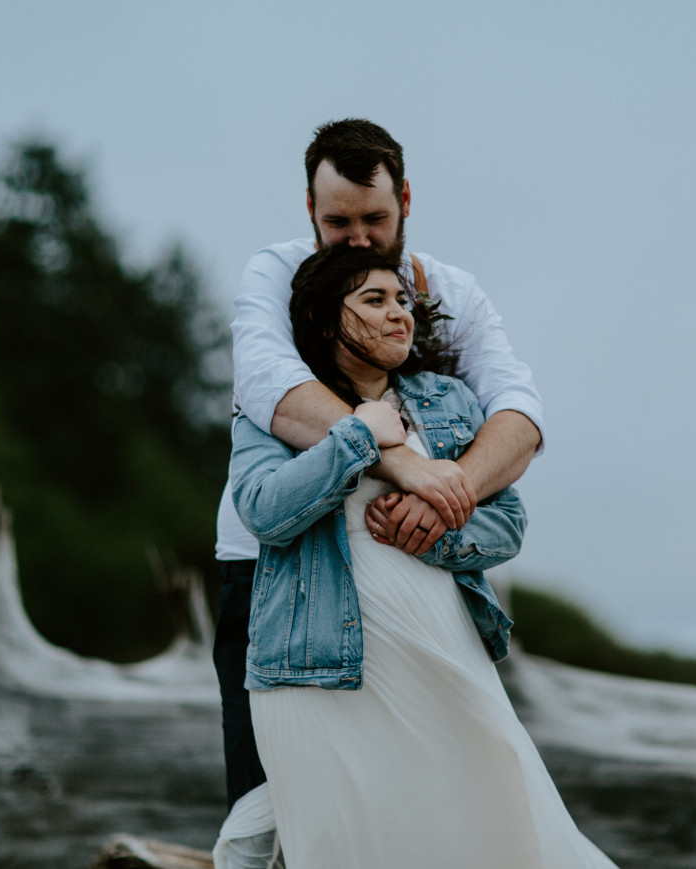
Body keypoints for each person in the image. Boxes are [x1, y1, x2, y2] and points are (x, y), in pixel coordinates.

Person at [228, 245, 615, 867]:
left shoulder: (449, 400)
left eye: (403, 300)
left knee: (493, 823)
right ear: (328, 319)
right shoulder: (273, 409)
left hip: (443, 651)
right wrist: (359, 435)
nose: (399, 314)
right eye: (375, 300)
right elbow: (264, 511)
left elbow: (508, 523)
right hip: (320, 664)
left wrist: (436, 524)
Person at [213, 121, 544, 824]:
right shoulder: (277, 275)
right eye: (339, 222)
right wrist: (400, 460)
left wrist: (446, 499)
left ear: (406, 202)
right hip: (277, 577)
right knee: (270, 808)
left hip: (421, 589)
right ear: (309, 209)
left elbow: (517, 413)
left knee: (438, 810)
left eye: (375, 219)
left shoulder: (449, 292)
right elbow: (269, 384)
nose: (359, 238)